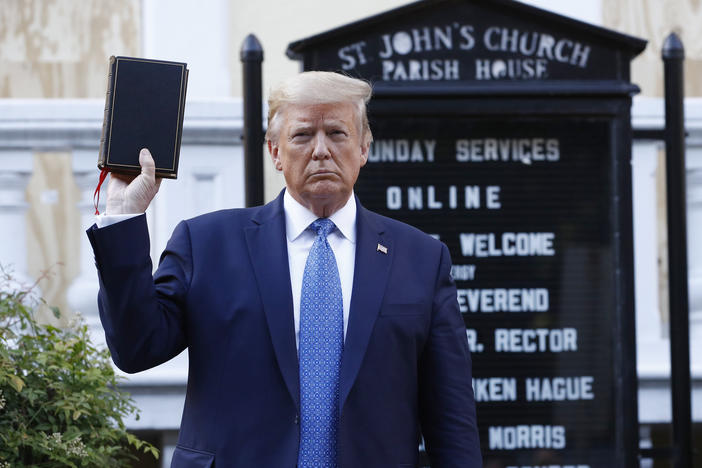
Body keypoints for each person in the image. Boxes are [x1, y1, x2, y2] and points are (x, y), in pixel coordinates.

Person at [87, 71, 481, 468]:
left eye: (337, 134)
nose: (321, 150)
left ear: (363, 148)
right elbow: (136, 349)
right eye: (303, 135)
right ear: (275, 151)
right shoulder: (207, 244)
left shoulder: (421, 259)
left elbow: (452, 422)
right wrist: (124, 217)